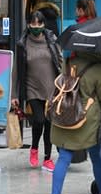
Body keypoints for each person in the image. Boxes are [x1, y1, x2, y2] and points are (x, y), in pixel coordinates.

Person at [47, 54, 101, 194]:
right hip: (86, 120)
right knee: (97, 157)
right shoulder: (97, 68)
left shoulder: (67, 62)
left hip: (64, 114)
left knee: (64, 157)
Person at [11, 10, 63, 172]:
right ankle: (34, 148)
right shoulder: (22, 43)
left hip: (51, 88)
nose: (35, 27)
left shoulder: (51, 40)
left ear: (43, 24)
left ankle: (47, 158)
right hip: (31, 88)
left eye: (38, 24)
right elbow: (16, 71)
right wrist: (14, 94)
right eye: (32, 24)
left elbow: (60, 62)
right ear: (28, 24)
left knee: (49, 124)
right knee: (39, 120)